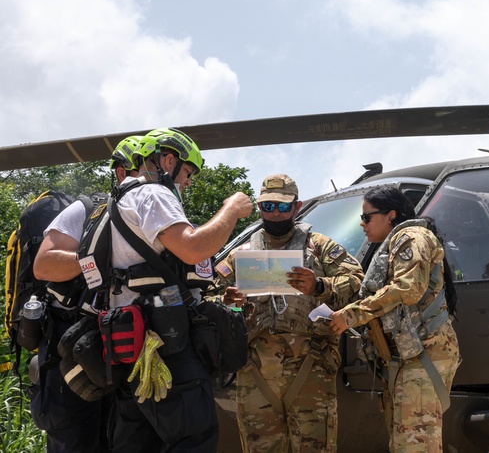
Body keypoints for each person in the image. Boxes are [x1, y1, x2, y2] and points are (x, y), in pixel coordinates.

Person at [109, 128, 253, 453]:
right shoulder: (152, 195)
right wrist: (231, 209)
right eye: (187, 172)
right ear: (169, 160)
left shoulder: (113, 206)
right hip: (165, 348)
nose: (187, 182)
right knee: (194, 439)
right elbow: (192, 248)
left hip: (128, 349)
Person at [216, 173, 364, 453]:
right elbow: (209, 292)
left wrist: (319, 285)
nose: (274, 213)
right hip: (255, 370)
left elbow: (357, 280)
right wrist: (227, 300)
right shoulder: (242, 253)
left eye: (283, 207)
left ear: (297, 207)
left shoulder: (318, 247)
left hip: (311, 366)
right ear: (259, 207)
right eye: (267, 206)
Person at [30, 135, 143, 453]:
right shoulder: (88, 210)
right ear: (122, 173)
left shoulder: (151, 221)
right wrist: (98, 258)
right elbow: (45, 265)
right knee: (76, 442)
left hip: (120, 351)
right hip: (71, 348)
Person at [328, 185, 460, 453]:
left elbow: (407, 288)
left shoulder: (412, 236)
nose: (362, 224)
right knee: (403, 441)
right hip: (408, 357)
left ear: (390, 215)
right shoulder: (394, 244)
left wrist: (352, 314)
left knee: (415, 444)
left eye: (367, 217)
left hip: (424, 353)